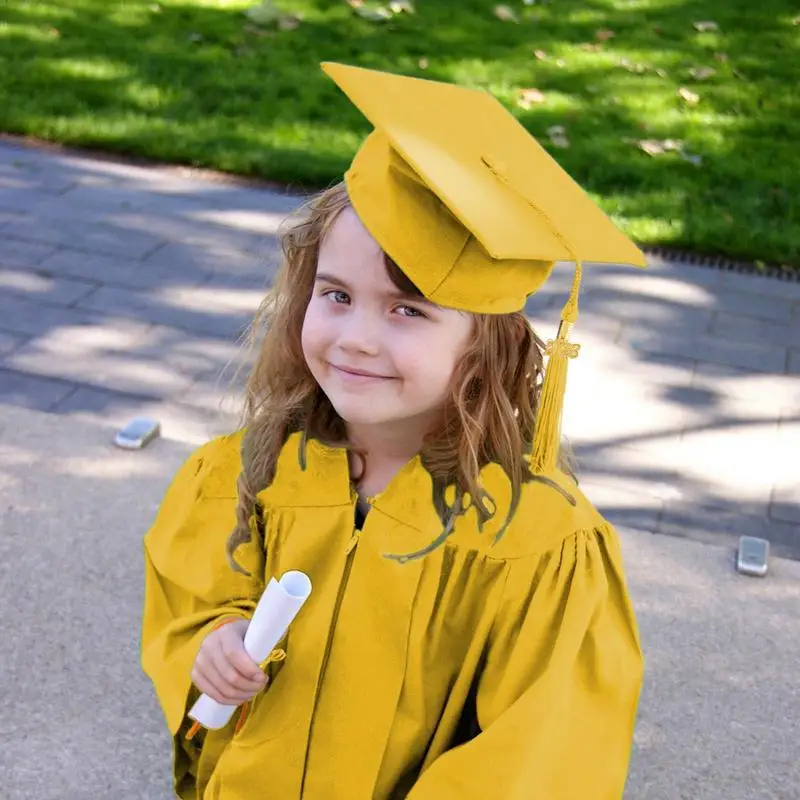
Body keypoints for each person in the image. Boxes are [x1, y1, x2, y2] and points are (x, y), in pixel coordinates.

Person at [141, 61, 646, 800]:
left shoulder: (535, 542)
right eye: (337, 295)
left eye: (408, 310)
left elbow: (539, 755)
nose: (355, 338)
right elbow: (193, 603)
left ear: (485, 343)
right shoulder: (247, 475)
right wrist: (212, 643)